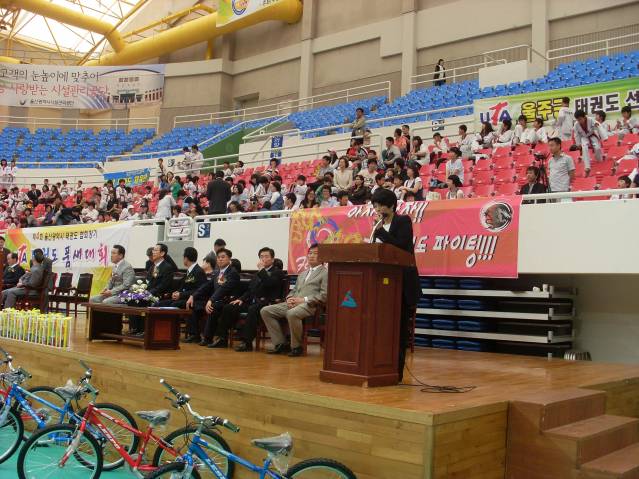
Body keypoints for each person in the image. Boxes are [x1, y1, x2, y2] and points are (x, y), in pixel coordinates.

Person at [371, 189, 420, 382]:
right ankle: (380, 368)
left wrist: (381, 232)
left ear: (391, 205)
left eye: (380, 205)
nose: (377, 209)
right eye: (375, 206)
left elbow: (401, 245)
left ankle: (396, 373)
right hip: (382, 284)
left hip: (402, 282)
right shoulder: (378, 226)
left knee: (399, 329)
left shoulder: (403, 221)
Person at [212, 247, 286, 352]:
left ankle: (246, 342)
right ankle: (222, 338)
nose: (263, 259)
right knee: (230, 307)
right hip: (253, 301)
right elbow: (250, 290)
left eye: (266, 256)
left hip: (268, 302)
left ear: (272, 259)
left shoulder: (277, 272)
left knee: (253, 309)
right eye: (261, 257)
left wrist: (262, 270)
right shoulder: (257, 275)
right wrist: (241, 299)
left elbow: (269, 283)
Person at [260, 244, 327, 357]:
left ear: (323, 257)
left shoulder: (325, 273)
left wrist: (303, 300)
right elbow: (294, 290)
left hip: (310, 305)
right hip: (294, 302)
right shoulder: (303, 273)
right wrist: (289, 298)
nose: (311, 256)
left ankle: (296, 346)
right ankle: (280, 343)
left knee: (292, 313)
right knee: (265, 311)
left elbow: (324, 295)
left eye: (315, 253)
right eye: (310, 253)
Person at [187, 248, 241, 347]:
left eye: (223, 257)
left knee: (213, 307)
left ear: (229, 259)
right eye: (218, 257)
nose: (220, 259)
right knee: (195, 304)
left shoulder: (232, 273)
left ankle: (215, 339)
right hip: (218, 300)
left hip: (230, 301)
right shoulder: (217, 272)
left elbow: (224, 289)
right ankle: (197, 335)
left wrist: (211, 300)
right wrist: (193, 295)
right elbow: (206, 286)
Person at [129, 244, 177, 336]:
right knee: (133, 299)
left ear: (162, 253)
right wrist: (140, 290)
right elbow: (147, 282)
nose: (153, 252)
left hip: (160, 295)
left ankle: (144, 330)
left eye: (155, 250)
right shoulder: (152, 267)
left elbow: (163, 286)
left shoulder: (167, 267)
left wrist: (149, 292)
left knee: (142, 301)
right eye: (153, 250)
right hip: (149, 293)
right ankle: (135, 328)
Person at [158, 247, 207, 322]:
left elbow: (199, 290)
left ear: (186, 258)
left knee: (174, 305)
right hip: (184, 298)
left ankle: (172, 327)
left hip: (194, 300)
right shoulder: (189, 271)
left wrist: (181, 295)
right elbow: (182, 286)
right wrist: (176, 293)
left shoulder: (198, 271)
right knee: (160, 304)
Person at [574, 109, 603, 176]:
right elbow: (576, 135)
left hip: (592, 135)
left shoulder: (591, 120)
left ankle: (599, 161)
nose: (579, 121)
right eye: (578, 120)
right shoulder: (576, 124)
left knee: (597, 148)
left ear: (584, 117)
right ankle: (587, 166)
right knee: (584, 148)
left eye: (580, 119)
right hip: (584, 137)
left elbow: (598, 127)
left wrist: (604, 137)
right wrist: (578, 144)